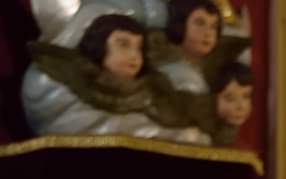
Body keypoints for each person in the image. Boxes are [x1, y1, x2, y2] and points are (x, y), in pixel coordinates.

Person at [22, 12, 209, 144]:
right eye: (123, 44)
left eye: (138, 48)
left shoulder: (153, 89)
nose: (134, 55)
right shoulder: (80, 83)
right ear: (99, 45)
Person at [157, 0, 222, 93]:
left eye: (213, 27)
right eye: (200, 23)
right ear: (179, 25)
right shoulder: (177, 75)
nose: (208, 33)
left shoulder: (201, 72)